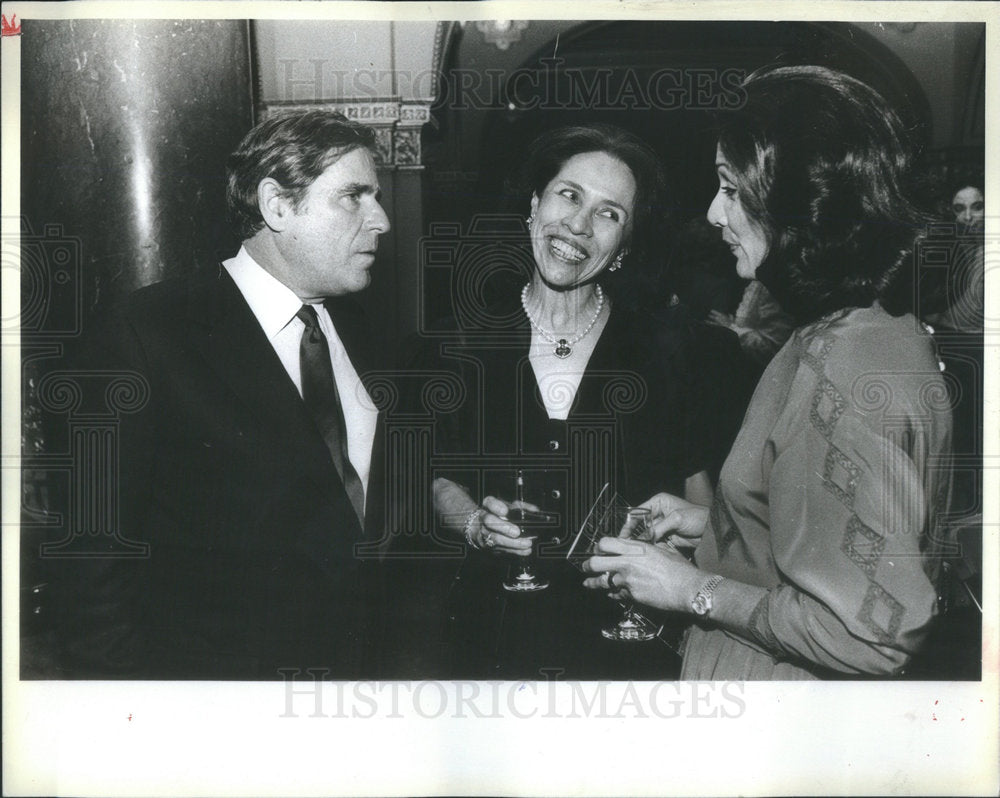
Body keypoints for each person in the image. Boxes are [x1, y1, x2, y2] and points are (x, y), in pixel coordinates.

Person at [584, 66, 953, 680]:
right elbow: (852, 533)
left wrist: (690, 589)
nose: (711, 212)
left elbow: (870, 635)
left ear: (795, 197)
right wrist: (720, 524)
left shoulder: (842, 369)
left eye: (730, 188)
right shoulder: (868, 329)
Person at [47, 110, 392, 679]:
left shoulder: (358, 328)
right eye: (354, 196)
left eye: (375, 196)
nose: (380, 219)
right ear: (277, 205)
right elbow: (91, 571)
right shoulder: (145, 333)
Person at [407, 124, 741, 679]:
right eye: (569, 195)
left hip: (630, 648)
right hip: (490, 639)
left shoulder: (675, 350)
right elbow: (430, 476)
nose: (579, 226)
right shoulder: (454, 343)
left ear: (624, 245)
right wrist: (472, 523)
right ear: (535, 205)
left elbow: (702, 497)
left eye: (610, 214)